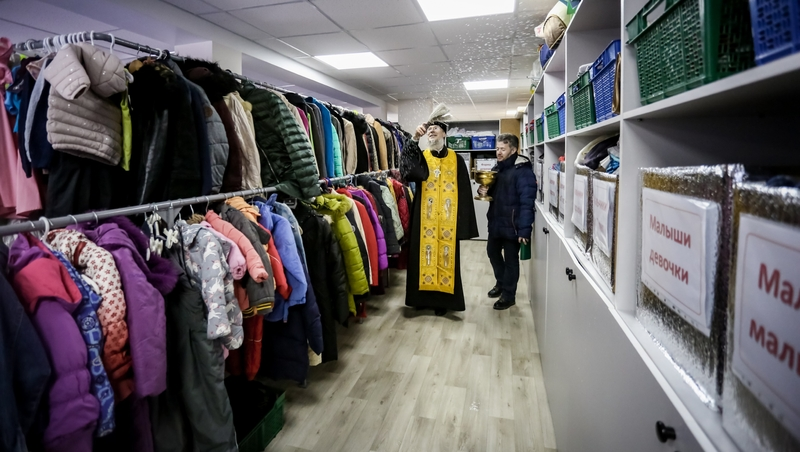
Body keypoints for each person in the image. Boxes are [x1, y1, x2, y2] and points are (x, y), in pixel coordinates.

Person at [400, 112, 478, 316]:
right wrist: (414, 139)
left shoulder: (456, 159)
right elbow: (407, 171)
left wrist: (462, 225)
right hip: (423, 219)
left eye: (436, 128)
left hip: (447, 222)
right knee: (422, 258)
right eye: (429, 129)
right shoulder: (422, 156)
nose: (431, 131)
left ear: (444, 133)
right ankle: (420, 299)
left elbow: (464, 192)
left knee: (445, 259)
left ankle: (443, 301)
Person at [478, 133, 537, 310]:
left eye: (502, 149)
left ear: (513, 150)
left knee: (511, 261)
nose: (498, 152)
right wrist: (483, 190)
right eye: (497, 148)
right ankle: (501, 283)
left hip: (513, 225)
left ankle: (509, 295)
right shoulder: (497, 168)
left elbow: (527, 202)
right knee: (492, 252)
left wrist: (524, 230)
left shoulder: (523, 171)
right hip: (496, 222)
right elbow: (491, 192)